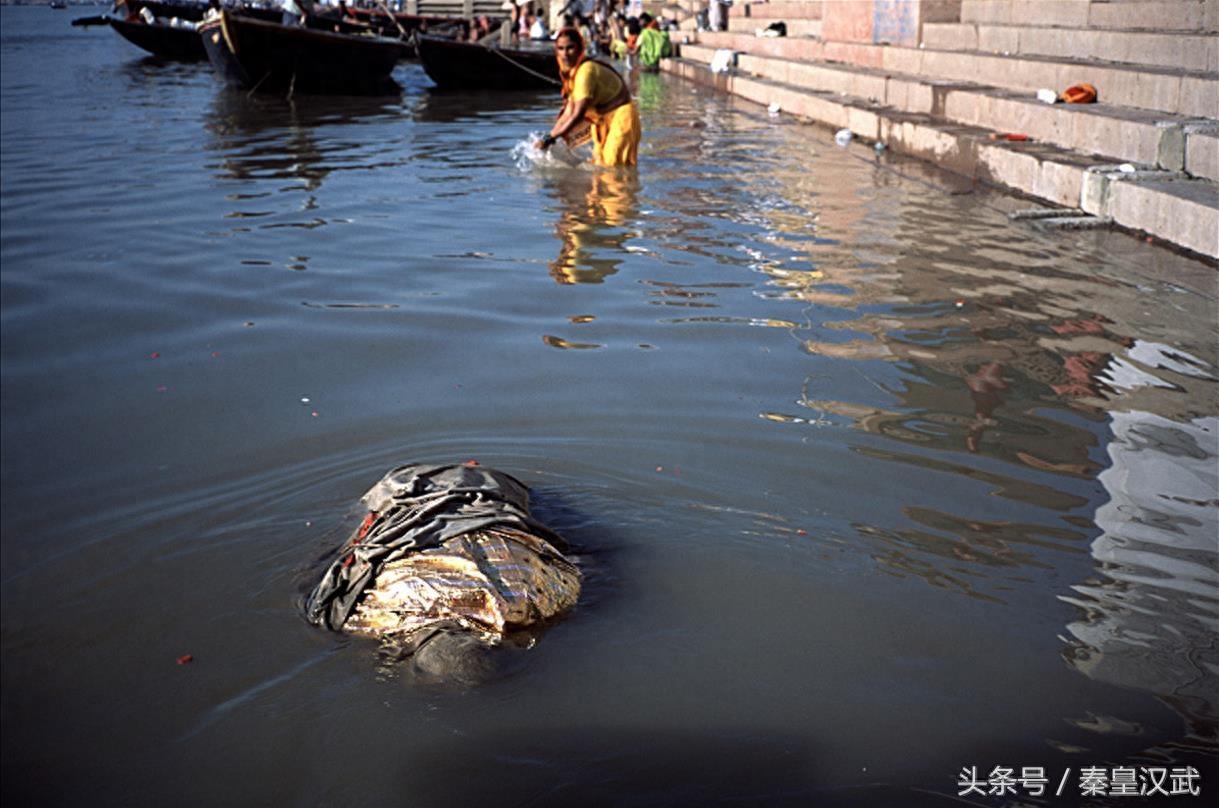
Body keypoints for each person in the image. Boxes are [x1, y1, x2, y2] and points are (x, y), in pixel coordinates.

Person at [538, 27, 641, 167]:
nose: (565, 54)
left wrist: (551, 138)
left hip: (621, 117)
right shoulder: (572, 75)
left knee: (613, 168)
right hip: (601, 121)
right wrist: (548, 138)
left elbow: (577, 114)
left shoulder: (585, 71)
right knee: (599, 167)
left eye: (570, 48)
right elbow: (568, 112)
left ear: (579, 48)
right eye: (560, 49)